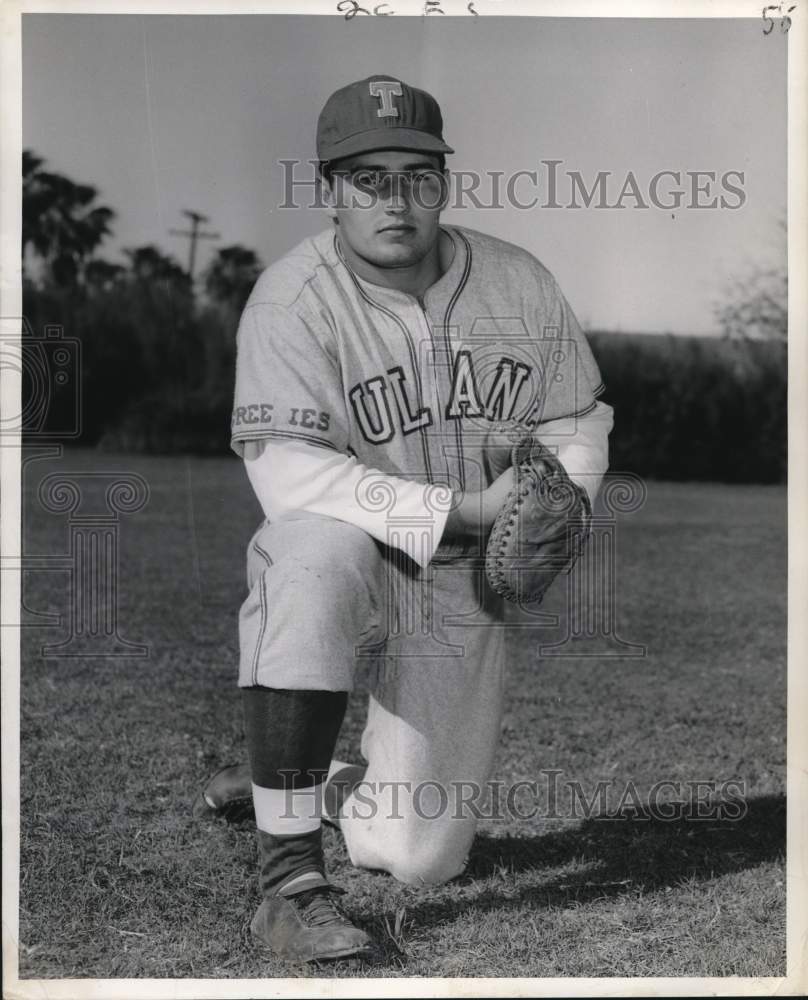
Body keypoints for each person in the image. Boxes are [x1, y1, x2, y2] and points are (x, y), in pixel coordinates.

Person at [206, 74, 613, 963]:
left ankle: (311, 779)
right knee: (308, 559)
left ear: (444, 183)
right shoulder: (290, 301)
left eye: (418, 176)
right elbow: (286, 474)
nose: (397, 199)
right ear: (331, 190)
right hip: (355, 549)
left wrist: (568, 490)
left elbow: (579, 414)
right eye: (370, 177)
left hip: (466, 578)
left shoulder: (517, 283)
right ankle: (287, 883)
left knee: (417, 856)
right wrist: (463, 507)